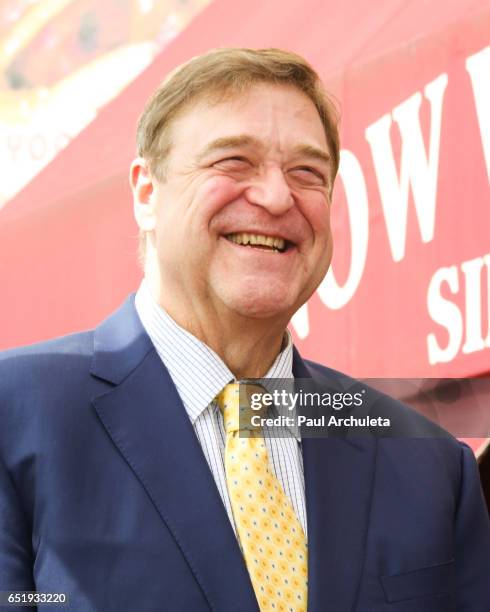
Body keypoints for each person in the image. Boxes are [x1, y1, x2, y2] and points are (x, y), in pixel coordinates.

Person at [0, 48, 489, 612]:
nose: (278, 196)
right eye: (233, 161)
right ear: (146, 192)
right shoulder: (18, 420)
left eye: (308, 173)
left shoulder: (430, 464)